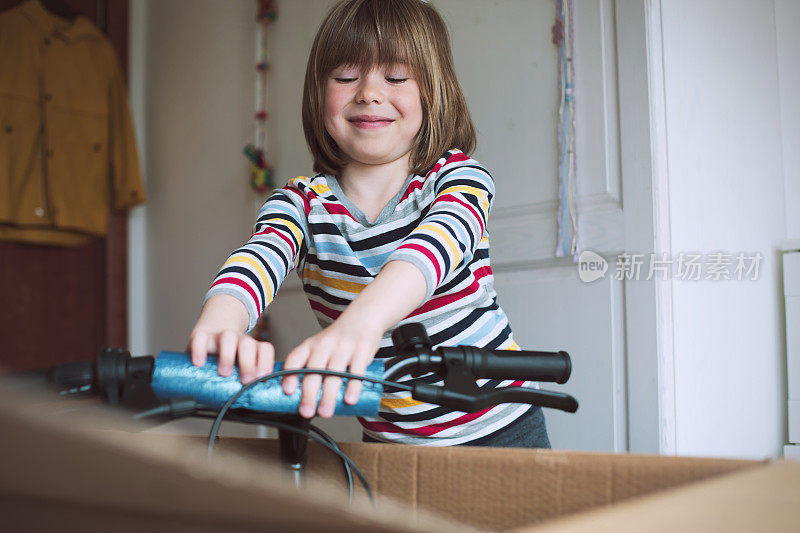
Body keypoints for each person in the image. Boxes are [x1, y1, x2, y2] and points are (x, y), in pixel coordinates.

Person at [188, 0, 550, 448]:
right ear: (320, 92)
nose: (369, 93)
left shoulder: (457, 178)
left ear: (432, 92)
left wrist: (359, 324)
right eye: (346, 77)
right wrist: (221, 324)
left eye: (395, 77)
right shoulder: (301, 203)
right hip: (388, 443)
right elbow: (258, 258)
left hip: (500, 427)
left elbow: (431, 250)